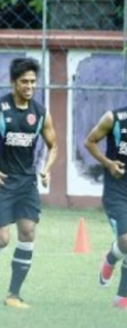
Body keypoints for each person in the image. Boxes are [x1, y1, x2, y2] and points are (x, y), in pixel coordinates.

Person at [0, 57, 57, 309]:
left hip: (27, 182)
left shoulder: (40, 113)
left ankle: (13, 295)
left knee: (28, 232)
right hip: (0, 182)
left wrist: (47, 169)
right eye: (24, 81)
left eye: (32, 82)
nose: (29, 86)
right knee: (2, 239)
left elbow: (54, 145)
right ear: (13, 83)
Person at [84, 104, 127, 309]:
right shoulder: (114, 118)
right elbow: (90, 142)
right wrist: (109, 163)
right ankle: (110, 258)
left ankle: (122, 297)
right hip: (117, 193)